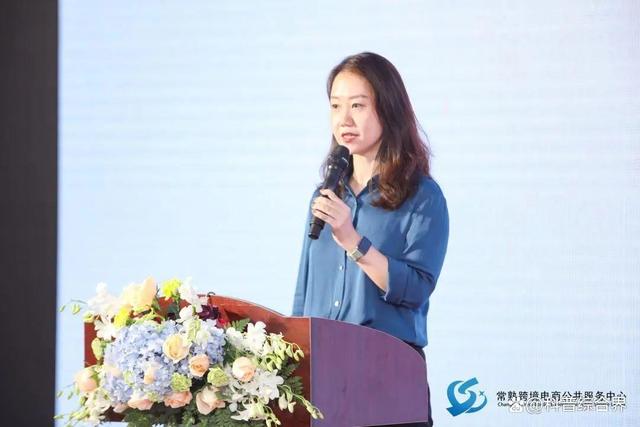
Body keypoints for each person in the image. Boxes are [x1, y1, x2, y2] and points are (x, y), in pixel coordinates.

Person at [292, 52, 449, 427]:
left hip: (387, 375)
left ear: (388, 110)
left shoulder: (422, 196)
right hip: (324, 380)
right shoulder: (326, 194)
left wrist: (353, 240)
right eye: (336, 106)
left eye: (358, 105)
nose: (344, 120)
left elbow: (415, 289)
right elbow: (304, 290)